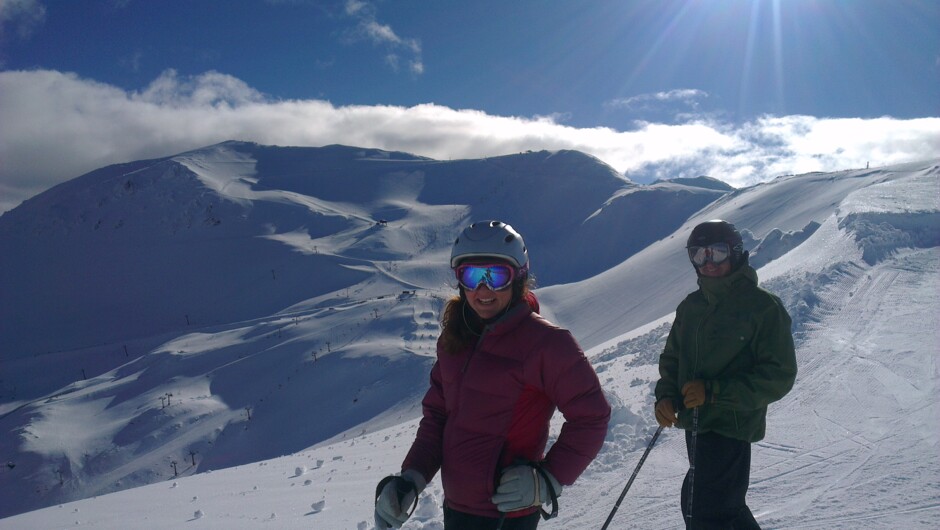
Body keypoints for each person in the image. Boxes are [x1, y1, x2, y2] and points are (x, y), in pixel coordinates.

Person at [374, 220, 611, 530]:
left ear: (519, 278)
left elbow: (592, 416)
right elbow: (437, 417)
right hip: (456, 509)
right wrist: (412, 478)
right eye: (472, 276)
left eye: (496, 276)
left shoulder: (547, 343)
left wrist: (547, 480)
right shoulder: (454, 340)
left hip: (507, 515)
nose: (483, 289)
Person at [654, 219, 798, 529]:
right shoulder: (691, 307)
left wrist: (714, 392)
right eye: (698, 254)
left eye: (716, 252)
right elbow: (673, 358)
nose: (708, 262)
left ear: (734, 252)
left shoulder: (762, 308)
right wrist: (666, 396)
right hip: (695, 421)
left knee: (708, 508)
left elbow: (779, 374)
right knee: (710, 505)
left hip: (732, 423)